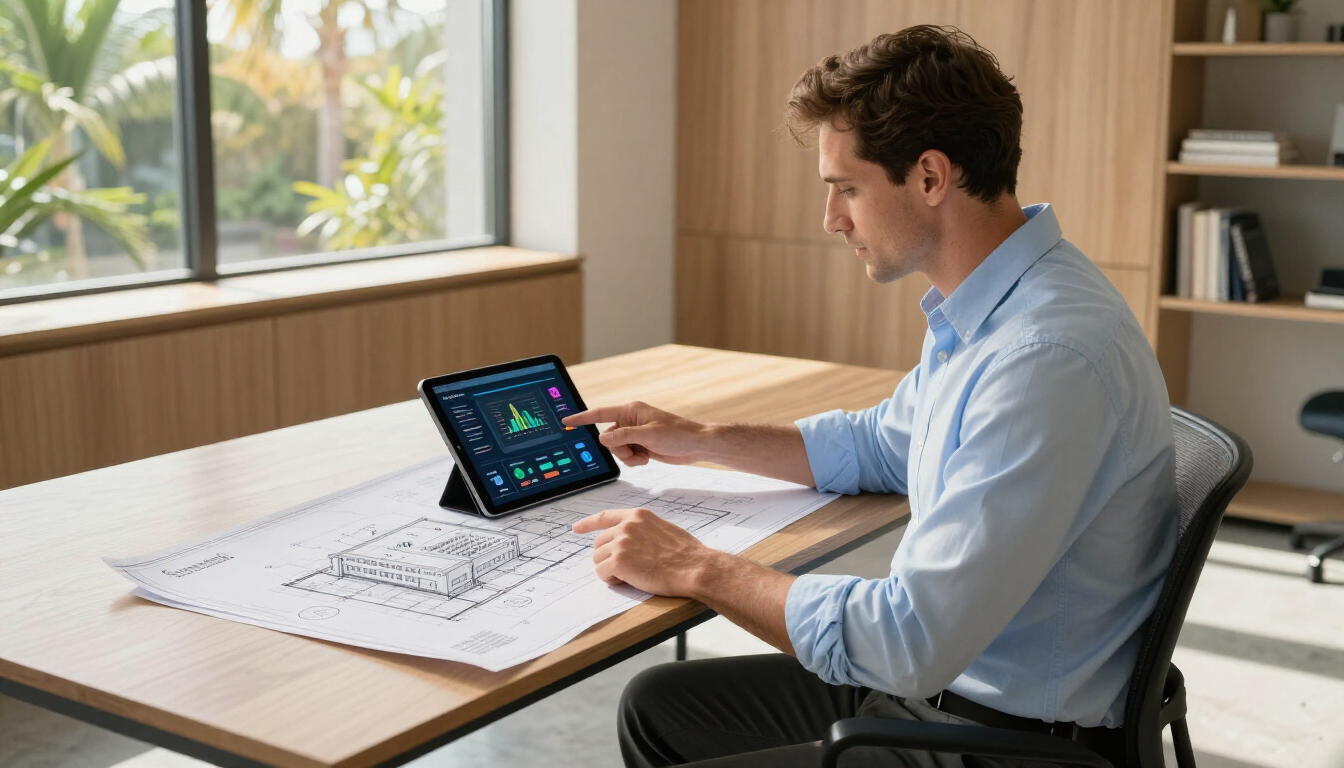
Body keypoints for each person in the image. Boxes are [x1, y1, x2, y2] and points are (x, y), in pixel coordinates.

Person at [560, 25, 1176, 768]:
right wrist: (697, 437)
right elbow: (885, 442)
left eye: (846, 189)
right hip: (944, 691)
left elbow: (907, 639)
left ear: (929, 177)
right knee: (660, 707)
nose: (832, 220)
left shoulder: (1044, 358)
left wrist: (697, 566)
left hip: (999, 741)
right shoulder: (991, 306)